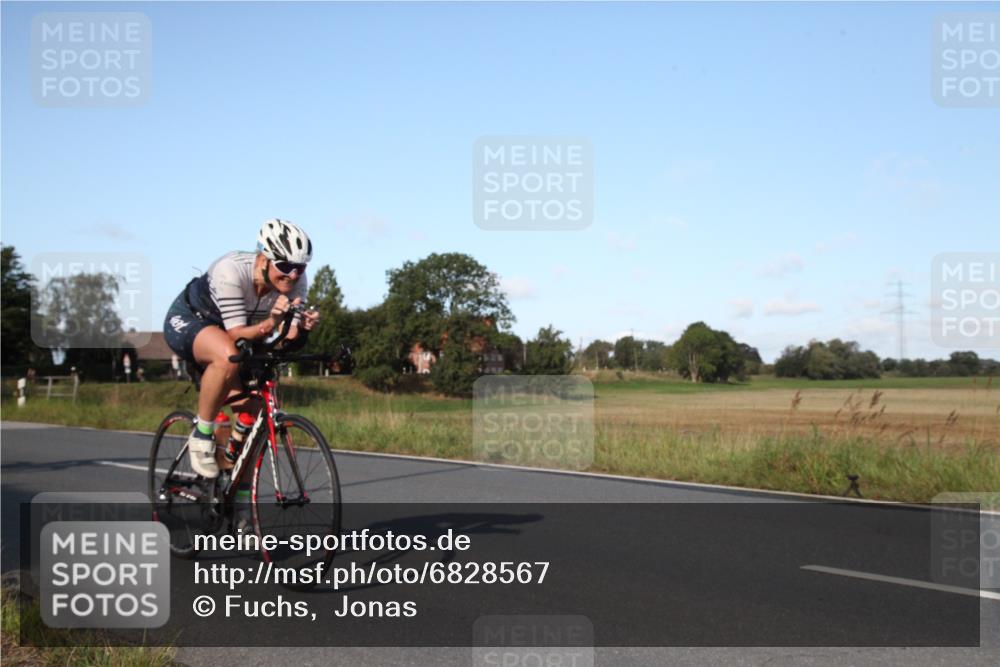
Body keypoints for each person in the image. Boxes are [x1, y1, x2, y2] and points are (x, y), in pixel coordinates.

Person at [163, 219, 320, 501]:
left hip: (241, 335)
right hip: (192, 321)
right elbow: (235, 336)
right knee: (227, 356)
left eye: (300, 267)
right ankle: (202, 433)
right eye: (285, 266)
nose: (293, 275)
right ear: (263, 259)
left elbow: (285, 340)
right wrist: (271, 322)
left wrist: (302, 330)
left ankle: (240, 501)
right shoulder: (231, 270)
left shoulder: (296, 283)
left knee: (256, 414)